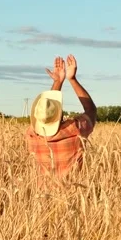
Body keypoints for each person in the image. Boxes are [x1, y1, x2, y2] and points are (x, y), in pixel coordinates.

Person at [25, 54, 97, 187]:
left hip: (41, 201)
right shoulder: (74, 130)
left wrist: (57, 82)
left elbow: (47, 113)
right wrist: (72, 79)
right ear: (59, 113)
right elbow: (91, 110)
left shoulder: (31, 135)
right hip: (73, 197)